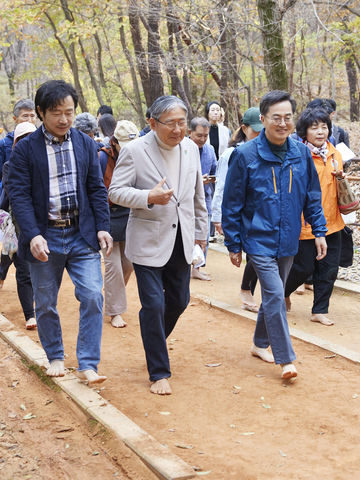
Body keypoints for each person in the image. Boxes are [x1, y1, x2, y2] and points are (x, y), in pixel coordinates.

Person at [8, 80, 113, 384]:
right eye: (56, 113)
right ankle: (54, 356)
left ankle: (88, 364)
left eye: (69, 112)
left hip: (81, 234)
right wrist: (32, 234)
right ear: (40, 112)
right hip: (45, 236)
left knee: (93, 295)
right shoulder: (26, 150)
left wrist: (103, 227)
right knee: (45, 302)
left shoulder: (83, 143)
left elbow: (96, 188)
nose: (64, 119)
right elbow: (19, 196)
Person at [222, 90, 327, 381]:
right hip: (258, 237)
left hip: (289, 237)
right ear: (264, 119)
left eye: (288, 118)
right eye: (276, 118)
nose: (283, 123)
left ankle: (258, 344)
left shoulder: (301, 152)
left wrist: (319, 231)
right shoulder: (245, 155)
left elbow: (312, 196)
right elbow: (232, 203)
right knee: (275, 295)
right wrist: (233, 243)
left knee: (273, 296)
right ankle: (286, 359)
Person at [109, 95, 209, 395]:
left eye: (182, 123)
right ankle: (158, 371)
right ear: (152, 124)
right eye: (171, 124)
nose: (178, 130)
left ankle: (155, 339)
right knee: (153, 304)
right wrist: (147, 197)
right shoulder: (136, 151)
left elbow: (196, 197)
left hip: (182, 239)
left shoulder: (191, 149)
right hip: (148, 240)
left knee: (179, 300)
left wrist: (201, 232)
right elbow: (115, 192)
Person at [283, 108, 344, 327]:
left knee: (328, 269)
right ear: (304, 131)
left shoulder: (334, 154)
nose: (320, 132)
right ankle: (281, 293)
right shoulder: (298, 154)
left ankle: (319, 310)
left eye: (324, 126)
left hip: (333, 222)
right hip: (306, 223)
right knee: (303, 267)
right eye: (314, 127)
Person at [212, 107, 262, 312]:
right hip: (241, 213)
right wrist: (218, 218)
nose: (260, 134)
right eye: (256, 130)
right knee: (256, 253)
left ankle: (247, 290)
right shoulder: (233, 154)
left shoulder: (267, 151)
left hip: (260, 214)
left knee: (259, 254)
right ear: (244, 128)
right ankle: (246, 290)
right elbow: (222, 186)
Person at [0, 121, 38, 330]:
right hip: (18, 223)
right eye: (22, 139)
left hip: (42, 224)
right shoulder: (10, 166)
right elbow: (13, 196)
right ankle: (30, 314)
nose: (28, 142)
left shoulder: (45, 163)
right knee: (23, 267)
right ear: (16, 143)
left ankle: (1, 270)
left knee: (40, 268)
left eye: (32, 137)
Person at [98, 120, 140, 329]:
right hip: (107, 216)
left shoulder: (138, 154)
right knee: (113, 266)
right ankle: (115, 311)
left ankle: (113, 295)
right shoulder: (102, 157)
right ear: (114, 142)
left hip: (129, 215)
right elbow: (95, 190)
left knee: (129, 264)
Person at [0, 99, 38, 219]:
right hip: (12, 204)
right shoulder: (4, 145)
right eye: (25, 116)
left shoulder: (44, 142)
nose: (29, 120)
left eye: (32, 116)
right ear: (15, 119)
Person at [187, 116, 217, 281]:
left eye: (205, 136)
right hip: (185, 199)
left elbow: (215, 170)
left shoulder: (210, 150)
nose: (202, 139)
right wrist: (196, 180)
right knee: (186, 234)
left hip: (205, 198)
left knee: (203, 234)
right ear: (190, 132)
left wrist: (210, 179)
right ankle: (184, 268)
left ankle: (197, 268)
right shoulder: (181, 148)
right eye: (199, 135)